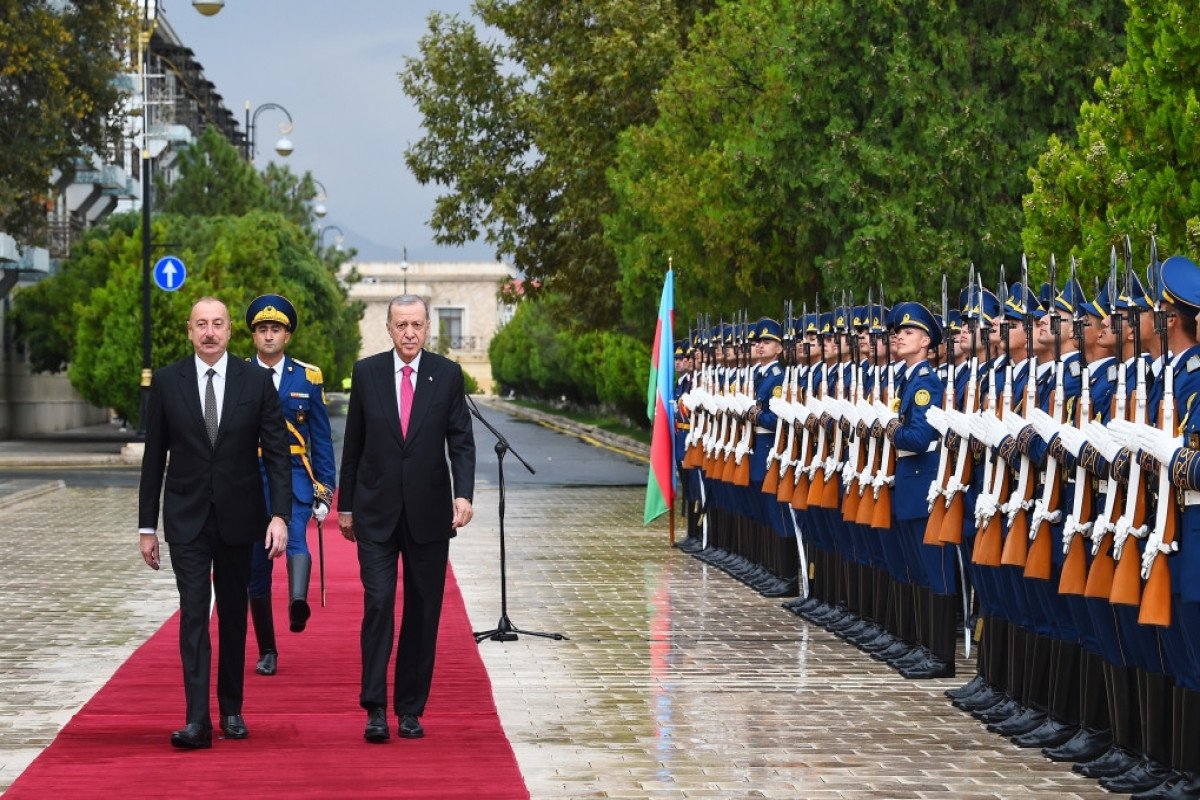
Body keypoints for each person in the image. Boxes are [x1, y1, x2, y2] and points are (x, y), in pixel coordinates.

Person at [138, 296, 291, 749]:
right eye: (201, 324)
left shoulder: (257, 382)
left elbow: (279, 455)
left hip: (239, 518)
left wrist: (280, 515)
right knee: (192, 614)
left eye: (217, 324)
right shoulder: (168, 382)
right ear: (189, 331)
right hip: (185, 518)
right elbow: (153, 460)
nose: (209, 332)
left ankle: (231, 709)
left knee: (231, 615)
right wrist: (147, 526)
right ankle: (196, 720)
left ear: (229, 332)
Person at [337, 294, 476, 743]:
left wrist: (464, 494)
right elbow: (353, 443)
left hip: (429, 514)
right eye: (402, 325)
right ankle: (375, 706)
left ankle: (410, 708)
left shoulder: (447, 375)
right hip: (375, 513)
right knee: (378, 604)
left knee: (423, 611)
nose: (410, 333)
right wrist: (345, 505)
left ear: (428, 326)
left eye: (417, 324)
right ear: (389, 328)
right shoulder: (368, 373)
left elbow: (461, 441)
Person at [244, 294, 337, 677]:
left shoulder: (307, 377)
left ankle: (298, 602)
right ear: (253, 336)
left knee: (295, 536)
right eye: (262, 330)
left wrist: (325, 489)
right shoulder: (239, 374)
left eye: (276, 330)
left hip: (296, 473)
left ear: (287, 336)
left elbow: (322, 438)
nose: (269, 336)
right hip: (251, 475)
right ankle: (268, 649)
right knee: (256, 565)